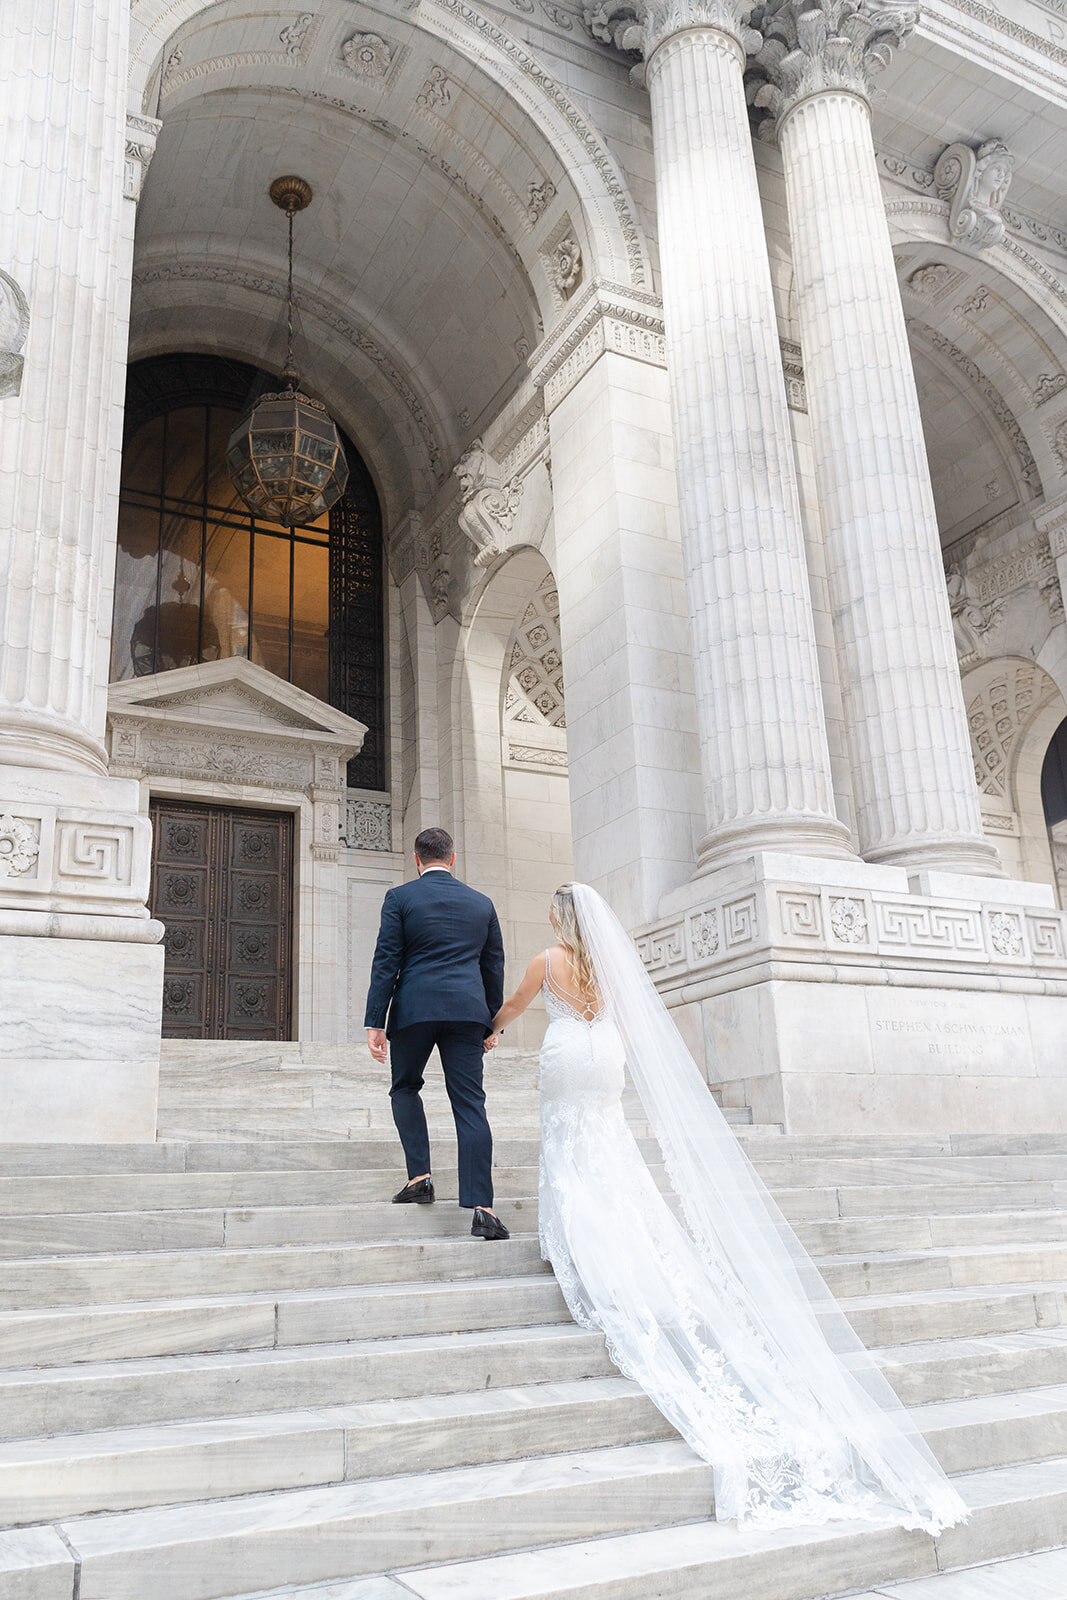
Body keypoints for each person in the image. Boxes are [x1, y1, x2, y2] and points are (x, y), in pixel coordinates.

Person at [491, 882, 969, 1532]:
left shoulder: (547, 960)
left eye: (552, 911)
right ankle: (616, 1239)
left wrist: (488, 1032)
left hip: (569, 1053)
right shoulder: (607, 967)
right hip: (604, 1057)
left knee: (568, 1144)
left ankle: (577, 1243)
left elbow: (515, 1006)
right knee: (608, 1146)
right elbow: (627, 1024)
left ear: (560, 919)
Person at [364, 826, 508, 1240]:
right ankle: (483, 1209)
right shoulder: (481, 903)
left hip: (415, 1009)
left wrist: (376, 1021)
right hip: (467, 1012)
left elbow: (386, 960)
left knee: (405, 1087)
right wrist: (492, 1023)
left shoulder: (400, 898)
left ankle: (420, 1178)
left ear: (416, 859)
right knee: (470, 1104)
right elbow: (493, 966)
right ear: (453, 857)